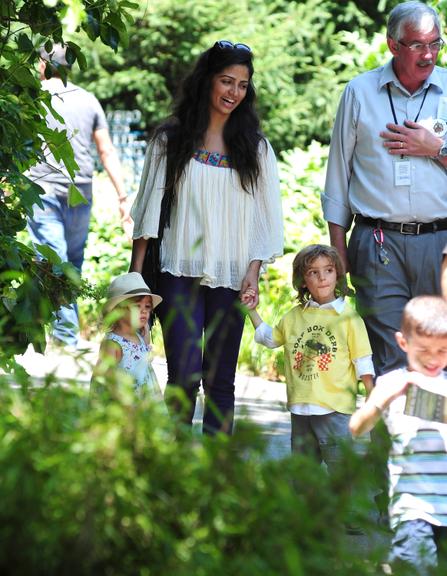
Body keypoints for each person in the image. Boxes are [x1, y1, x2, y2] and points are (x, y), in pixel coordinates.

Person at [130, 40, 283, 434]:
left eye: (242, 84)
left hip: (232, 276)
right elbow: (147, 217)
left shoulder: (257, 150)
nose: (233, 92)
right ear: (207, 81)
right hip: (178, 270)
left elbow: (265, 219)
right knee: (184, 374)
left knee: (220, 380)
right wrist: (135, 288)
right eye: (226, 81)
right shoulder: (170, 141)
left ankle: (218, 475)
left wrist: (254, 270)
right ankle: (175, 468)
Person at [322, 1, 447, 377]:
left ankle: (432, 437)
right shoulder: (359, 92)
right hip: (378, 244)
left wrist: (435, 148)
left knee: (438, 356)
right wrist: (339, 255)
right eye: (417, 45)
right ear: (393, 45)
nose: (428, 54)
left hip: (441, 244)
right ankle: (393, 436)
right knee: (390, 359)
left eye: (436, 44)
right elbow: (337, 179)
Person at [27, 43, 132, 349]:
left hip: (43, 188)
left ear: (44, 66)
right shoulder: (89, 101)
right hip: (80, 191)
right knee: (68, 262)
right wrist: (122, 196)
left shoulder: (35, 99)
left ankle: (62, 337)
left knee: (57, 261)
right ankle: (53, 330)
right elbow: (106, 150)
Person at [242, 244, 374, 471]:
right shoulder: (294, 316)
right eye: (313, 272)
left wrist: (373, 405)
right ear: (303, 280)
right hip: (300, 412)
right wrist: (251, 310)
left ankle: (340, 508)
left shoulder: (349, 318)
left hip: (335, 412)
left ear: (338, 274)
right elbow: (269, 338)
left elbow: (363, 363)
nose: (323, 277)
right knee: (303, 478)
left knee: (341, 476)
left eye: (329, 270)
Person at [350, 296, 447, 575]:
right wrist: (383, 400)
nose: (433, 358)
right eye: (424, 349)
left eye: (442, 350)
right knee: (415, 567)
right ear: (403, 343)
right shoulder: (391, 383)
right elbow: (357, 428)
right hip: (413, 507)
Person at [92, 272, 165, 403]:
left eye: (147, 307)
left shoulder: (141, 335)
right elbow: (102, 378)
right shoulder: (112, 343)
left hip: (146, 403)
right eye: (137, 306)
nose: (144, 311)